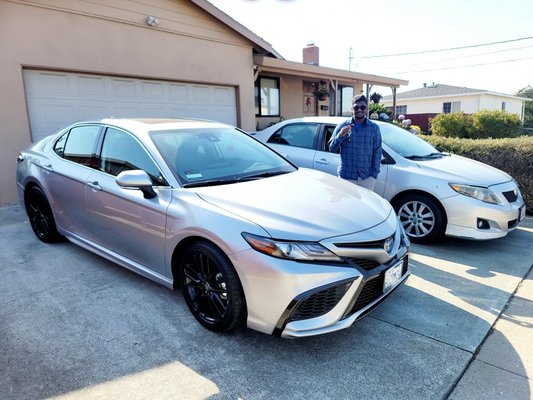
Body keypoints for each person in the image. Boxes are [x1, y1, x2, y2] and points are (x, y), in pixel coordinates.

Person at [328, 95, 382, 191]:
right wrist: (340, 135)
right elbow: (331, 148)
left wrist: (373, 175)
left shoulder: (374, 128)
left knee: (366, 205)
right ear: (352, 109)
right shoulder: (342, 126)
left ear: (366, 109)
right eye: (356, 107)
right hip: (346, 177)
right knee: (346, 206)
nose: (359, 110)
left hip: (366, 178)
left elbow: (377, 151)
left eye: (362, 107)